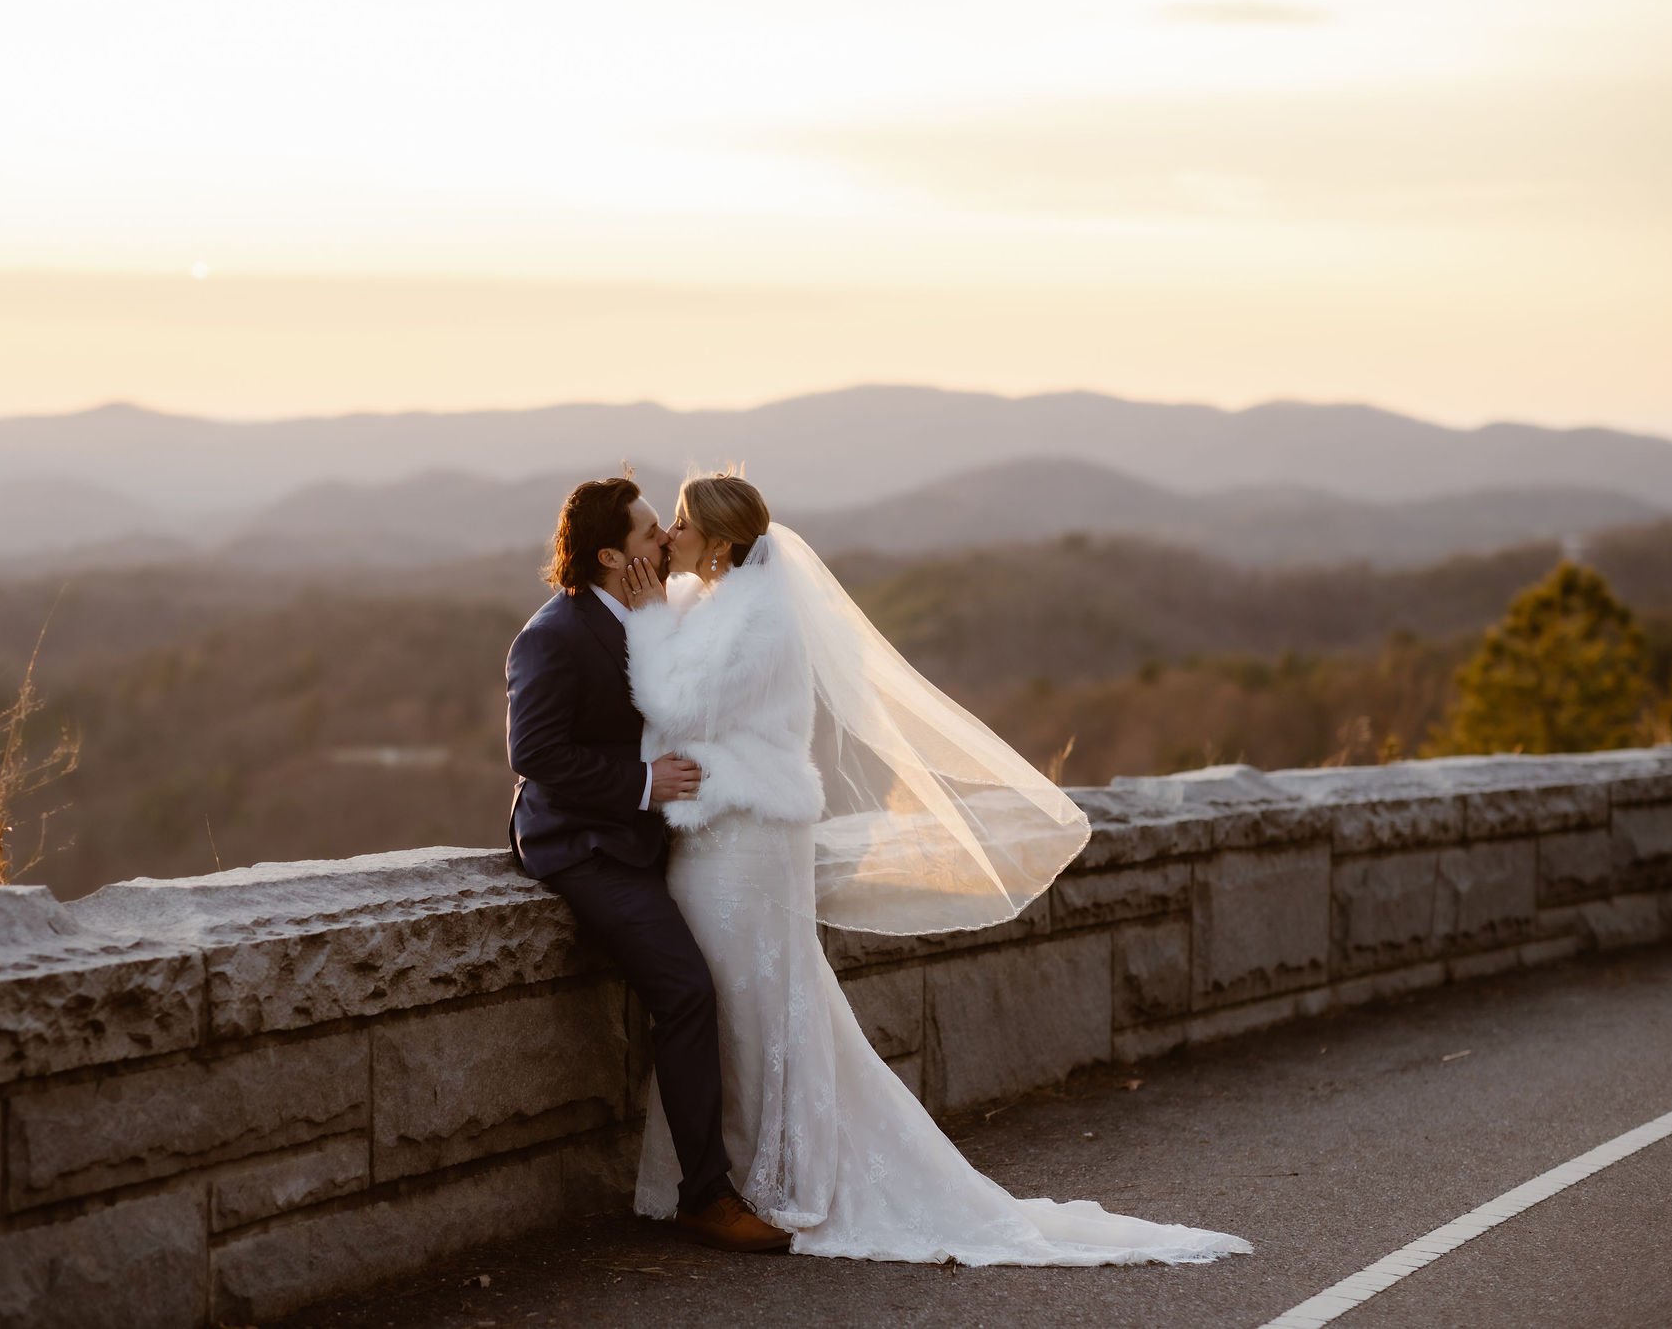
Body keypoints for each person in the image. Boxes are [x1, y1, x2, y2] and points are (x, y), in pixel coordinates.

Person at [615, 470, 1254, 1267]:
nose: (668, 536)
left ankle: (772, 1179)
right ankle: (730, 1175)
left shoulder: (761, 618)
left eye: (679, 524)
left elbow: (682, 712)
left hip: (743, 846)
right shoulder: (712, 605)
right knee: (736, 1008)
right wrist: (664, 615)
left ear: (716, 538)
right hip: (716, 839)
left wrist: (643, 621)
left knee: (755, 1007)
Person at [504, 473, 791, 1253]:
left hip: (647, 843)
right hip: (584, 847)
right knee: (688, 991)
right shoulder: (552, 636)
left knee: (705, 991)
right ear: (608, 555)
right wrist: (640, 785)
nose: (665, 540)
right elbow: (533, 754)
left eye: (667, 528)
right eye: (648, 533)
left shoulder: (644, 613)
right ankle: (705, 1195)